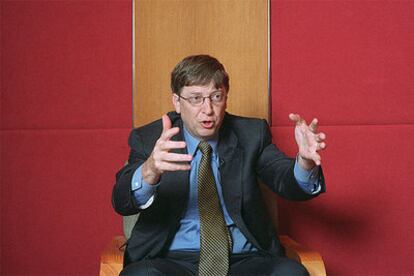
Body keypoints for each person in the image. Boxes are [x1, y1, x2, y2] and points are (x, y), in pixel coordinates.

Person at [112, 54, 327, 275]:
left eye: (216, 96)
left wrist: (305, 161)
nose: (208, 109)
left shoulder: (251, 135)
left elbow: (284, 178)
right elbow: (121, 201)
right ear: (177, 101)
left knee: (290, 273)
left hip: (244, 258)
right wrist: (150, 171)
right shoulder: (150, 138)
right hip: (170, 259)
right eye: (196, 98)